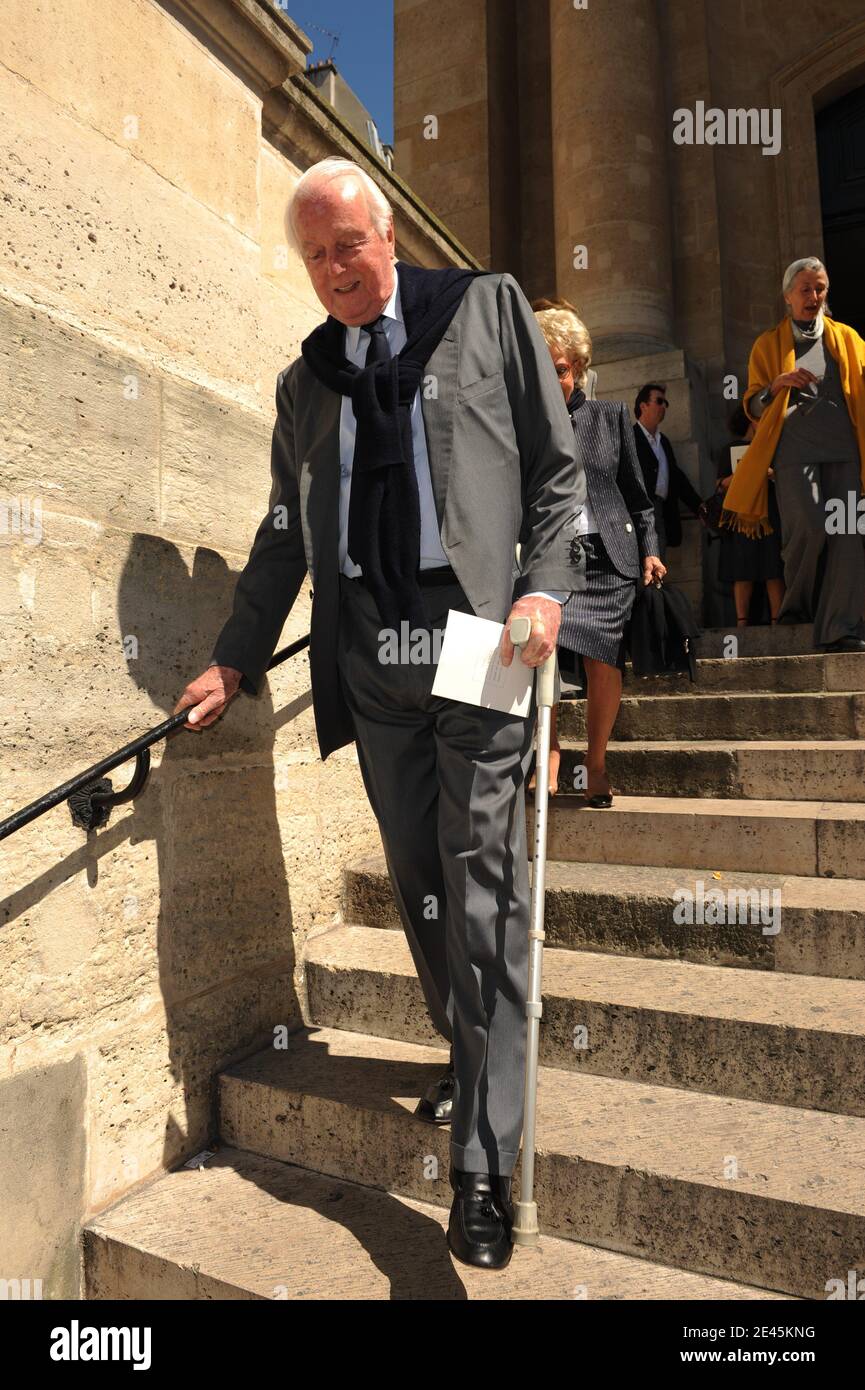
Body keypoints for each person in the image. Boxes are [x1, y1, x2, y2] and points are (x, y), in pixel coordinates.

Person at [171, 156, 586, 1270]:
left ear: (387, 232)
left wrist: (544, 584)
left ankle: (485, 1169)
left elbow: (556, 471)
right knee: (422, 885)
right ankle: (472, 1042)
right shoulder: (305, 383)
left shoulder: (484, 309)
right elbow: (279, 538)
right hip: (375, 664)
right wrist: (233, 658)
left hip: (478, 642)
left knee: (486, 883)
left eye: (346, 245)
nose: (332, 270)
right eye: (311, 256)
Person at [532, 306, 665, 802]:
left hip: (609, 557)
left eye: (560, 370)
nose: (553, 380)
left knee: (601, 664)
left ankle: (596, 761)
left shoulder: (611, 418)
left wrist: (650, 551)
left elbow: (639, 497)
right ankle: (548, 752)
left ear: (578, 367)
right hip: (549, 554)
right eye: (543, 370)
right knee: (538, 658)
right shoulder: (528, 424)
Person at [721, 256, 865, 653]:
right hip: (793, 453)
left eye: (820, 289)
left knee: (849, 534)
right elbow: (750, 404)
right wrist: (777, 384)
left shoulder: (848, 339)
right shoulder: (768, 344)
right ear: (788, 296)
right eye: (806, 289)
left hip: (844, 452)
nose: (814, 296)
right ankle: (797, 605)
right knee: (807, 526)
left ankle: (842, 625)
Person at [715, 404, 785, 625]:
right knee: (742, 569)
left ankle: (777, 619)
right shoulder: (730, 448)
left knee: (773, 566)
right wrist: (747, 471)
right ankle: (742, 622)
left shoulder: (771, 446)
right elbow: (720, 484)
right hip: (742, 517)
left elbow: (783, 478)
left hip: (769, 513)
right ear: (749, 420)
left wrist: (771, 473)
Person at [633, 383, 706, 559]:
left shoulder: (663, 441)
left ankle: (655, 587)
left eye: (665, 403)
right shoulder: (630, 437)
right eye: (659, 401)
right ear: (643, 406)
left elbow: (676, 477)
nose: (663, 406)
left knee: (659, 561)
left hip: (662, 510)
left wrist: (698, 506)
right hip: (641, 513)